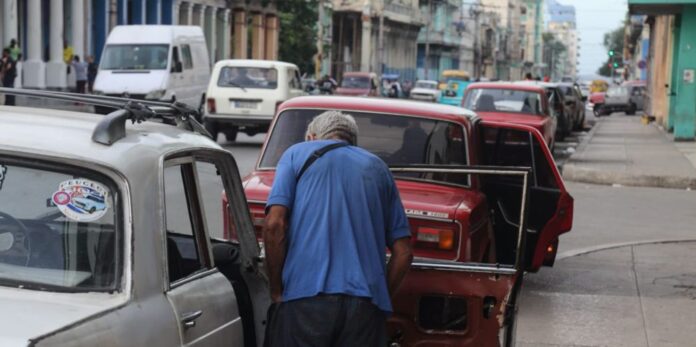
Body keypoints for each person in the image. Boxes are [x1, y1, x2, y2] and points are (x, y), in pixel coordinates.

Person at [263, 110, 413, 347]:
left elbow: (274, 224)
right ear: (352, 141)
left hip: (304, 299)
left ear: (312, 138)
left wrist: (276, 289)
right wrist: (379, 296)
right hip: (364, 307)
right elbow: (404, 253)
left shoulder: (295, 154)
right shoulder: (377, 167)